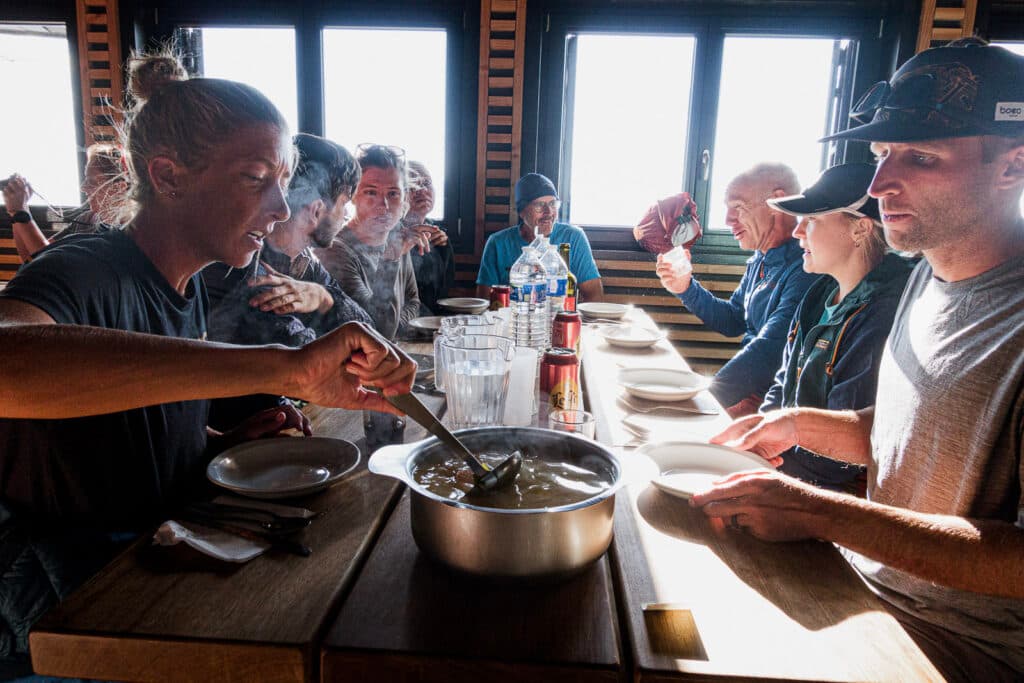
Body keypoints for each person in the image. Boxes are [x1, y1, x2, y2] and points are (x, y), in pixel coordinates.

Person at [0, 67, 414, 672]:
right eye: (255, 180)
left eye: (284, 182)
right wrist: (283, 368)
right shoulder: (88, 268)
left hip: (151, 562)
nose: (279, 208)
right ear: (167, 176)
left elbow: (114, 435)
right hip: (62, 613)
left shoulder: (188, 284)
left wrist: (219, 442)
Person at [691, 41, 1024, 681]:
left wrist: (818, 512)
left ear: (1013, 166)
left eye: (921, 157)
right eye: (880, 156)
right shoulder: (927, 275)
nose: (878, 186)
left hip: (963, 648)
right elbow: (910, 437)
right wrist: (799, 424)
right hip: (868, 589)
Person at [759, 163, 912, 492]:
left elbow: (836, 466)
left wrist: (759, 465)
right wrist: (755, 436)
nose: (798, 231)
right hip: (785, 463)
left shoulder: (883, 314)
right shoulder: (817, 295)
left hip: (827, 494)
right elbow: (782, 384)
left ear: (861, 229)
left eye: (812, 219)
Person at [656, 163, 818, 417]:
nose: (727, 220)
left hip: (773, 405)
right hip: (747, 391)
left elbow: (769, 352)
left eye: (738, 207)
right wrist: (686, 287)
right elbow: (733, 320)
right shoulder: (760, 259)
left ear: (778, 202)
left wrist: (703, 401)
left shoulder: (807, 268)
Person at [204, 132, 371, 347]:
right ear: (316, 211)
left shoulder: (305, 263)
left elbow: (368, 330)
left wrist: (322, 297)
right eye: (343, 204)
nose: (345, 215)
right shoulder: (244, 261)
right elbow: (298, 351)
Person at [315, 144, 425, 340]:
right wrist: (390, 258)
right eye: (371, 192)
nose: (383, 205)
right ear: (353, 196)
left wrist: (395, 327)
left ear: (404, 197)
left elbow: (413, 301)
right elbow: (375, 330)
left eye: (393, 193)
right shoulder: (335, 251)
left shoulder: (397, 238)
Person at [475, 173, 603, 302]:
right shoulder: (498, 243)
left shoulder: (573, 237)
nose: (549, 212)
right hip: (514, 318)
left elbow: (594, 297)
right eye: (539, 205)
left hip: (558, 317)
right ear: (522, 211)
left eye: (553, 203)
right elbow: (484, 300)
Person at [403, 161, 455, 315]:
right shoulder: (389, 232)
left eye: (427, 183)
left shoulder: (435, 232)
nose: (422, 190)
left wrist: (444, 246)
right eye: (413, 185)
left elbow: (446, 285)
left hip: (432, 318)